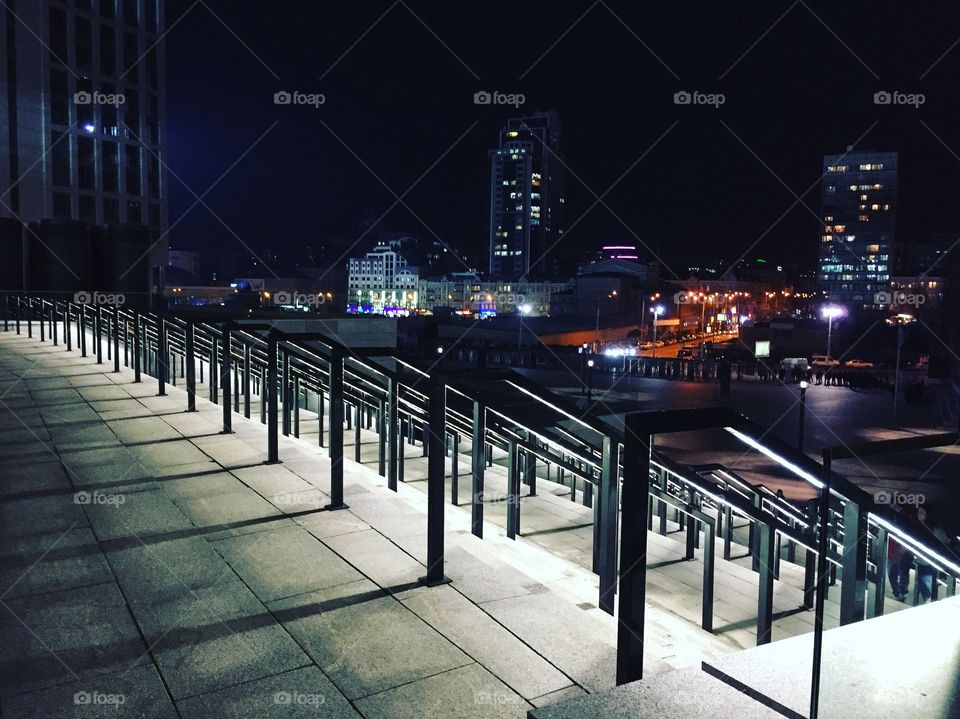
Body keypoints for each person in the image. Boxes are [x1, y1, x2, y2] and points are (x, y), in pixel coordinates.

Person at [887, 534, 913, 603]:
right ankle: (902, 593)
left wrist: (897, 555)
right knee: (902, 574)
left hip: (897, 555)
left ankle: (899, 594)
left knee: (894, 575)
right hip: (899, 554)